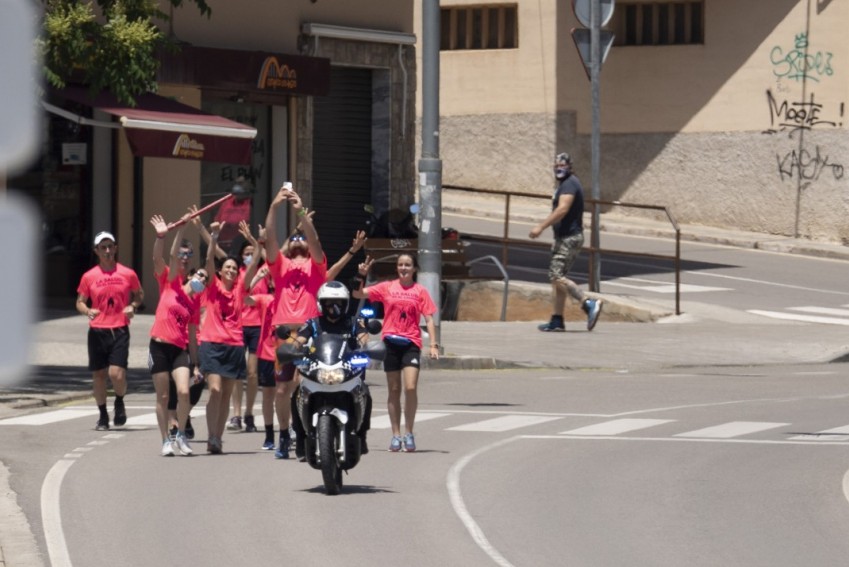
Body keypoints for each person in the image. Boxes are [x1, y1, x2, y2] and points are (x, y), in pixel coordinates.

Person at [263, 183, 328, 457]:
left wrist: (301, 214)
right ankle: (283, 435)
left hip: (309, 332)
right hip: (283, 335)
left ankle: (305, 433)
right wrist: (274, 206)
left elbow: (315, 243)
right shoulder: (281, 266)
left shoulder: (315, 266)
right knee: (281, 391)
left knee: (304, 386)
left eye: (302, 237)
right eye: (296, 238)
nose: (300, 239)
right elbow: (269, 240)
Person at [352, 253, 438, 452]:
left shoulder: (420, 291)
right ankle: (395, 435)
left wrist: (433, 345)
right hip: (390, 342)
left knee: (410, 388)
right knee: (394, 390)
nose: (404, 268)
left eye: (408, 265)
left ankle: (408, 432)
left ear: (414, 268)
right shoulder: (386, 287)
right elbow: (358, 294)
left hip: (411, 343)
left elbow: (430, 319)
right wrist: (361, 275)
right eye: (400, 265)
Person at [291, 281, 373, 460]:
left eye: (339, 303)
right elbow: (300, 340)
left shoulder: (352, 322)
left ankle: (362, 435)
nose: (333, 307)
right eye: (328, 303)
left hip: (348, 372)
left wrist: (368, 346)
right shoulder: (313, 323)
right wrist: (293, 349)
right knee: (296, 394)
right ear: (321, 303)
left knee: (366, 392)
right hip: (319, 371)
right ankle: (300, 437)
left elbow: (364, 338)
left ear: (345, 305)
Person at [76, 231, 144, 431]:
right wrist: (88, 311)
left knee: (117, 374)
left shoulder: (127, 273)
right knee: (99, 374)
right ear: (96, 251)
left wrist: (133, 306)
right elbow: (79, 302)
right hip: (97, 330)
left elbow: (139, 294)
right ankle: (103, 415)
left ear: (115, 248)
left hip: (120, 328)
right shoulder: (89, 276)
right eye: (103, 247)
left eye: (110, 246)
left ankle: (120, 401)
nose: (107, 251)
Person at [148, 213, 204, 456]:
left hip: (180, 349)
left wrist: (196, 364)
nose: (183, 258)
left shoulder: (194, 301)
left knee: (183, 392)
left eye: (187, 255)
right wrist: (174, 230)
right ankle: (164, 441)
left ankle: (180, 433)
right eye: (181, 254)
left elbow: (192, 335)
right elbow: (161, 256)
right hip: (159, 345)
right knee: (162, 395)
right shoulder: (169, 282)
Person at [529, 152, 603, 332]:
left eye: (562, 166)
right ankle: (557, 320)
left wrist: (541, 226)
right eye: (556, 166)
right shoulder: (566, 184)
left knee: (555, 276)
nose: (559, 169)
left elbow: (562, 209)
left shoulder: (569, 184)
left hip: (569, 238)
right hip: (564, 237)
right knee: (558, 280)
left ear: (570, 167)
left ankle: (588, 303)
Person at [199, 221, 247, 454]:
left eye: (234, 268)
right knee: (215, 390)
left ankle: (218, 438)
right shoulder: (213, 286)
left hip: (234, 345)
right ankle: (211, 435)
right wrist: (214, 236)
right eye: (227, 267)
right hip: (212, 343)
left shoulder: (239, 288)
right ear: (220, 271)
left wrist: (258, 243)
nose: (230, 270)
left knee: (227, 394)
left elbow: (256, 259)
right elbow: (209, 261)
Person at [214, 176, 253, 253]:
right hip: (223, 245)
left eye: (240, 184)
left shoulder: (251, 204)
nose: (237, 187)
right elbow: (217, 221)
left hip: (243, 247)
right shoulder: (226, 202)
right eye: (236, 184)